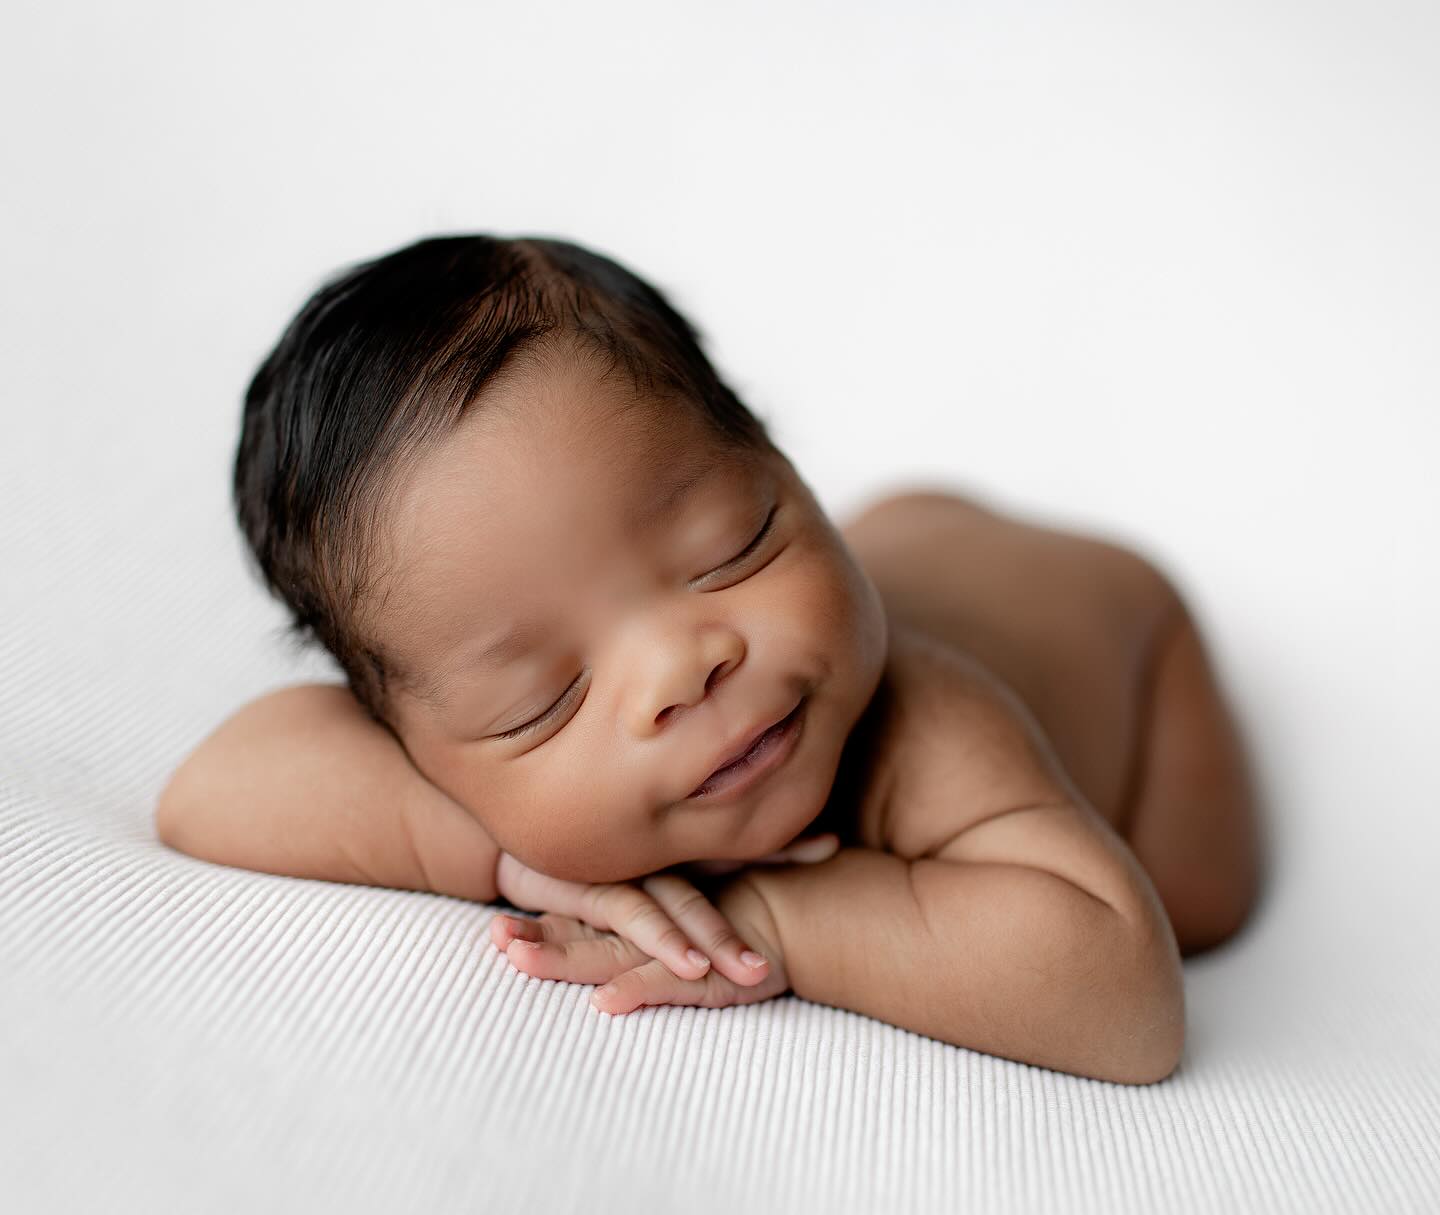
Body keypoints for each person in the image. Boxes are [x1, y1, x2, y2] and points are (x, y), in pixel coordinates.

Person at [156, 234, 1265, 1084]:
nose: (680, 670)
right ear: (414, 744)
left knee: (1198, 905)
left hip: (1124, 620)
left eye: (732, 546)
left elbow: (1127, 1003)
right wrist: (512, 853)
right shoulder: (478, 762)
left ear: (785, 461)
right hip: (914, 541)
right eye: (542, 699)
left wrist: (771, 922)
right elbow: (209, 790)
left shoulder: (929, 720)